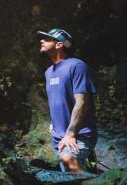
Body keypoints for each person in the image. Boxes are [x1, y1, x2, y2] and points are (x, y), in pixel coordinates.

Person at [38, 28, 98, 173]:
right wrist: (54, 123)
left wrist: (71, 134)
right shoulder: (48, 72)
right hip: (58, 136)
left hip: (78, 134)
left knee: (68, 160)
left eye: (47, 39)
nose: (41, 40)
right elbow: (58, 100)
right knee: (69, 176)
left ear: (59, 44)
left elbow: (82, 102)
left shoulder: (76, 66)